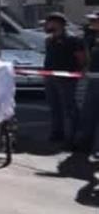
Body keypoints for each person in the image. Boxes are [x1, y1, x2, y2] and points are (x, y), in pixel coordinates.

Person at [42, 12, 86, 149]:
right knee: (54, 107)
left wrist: (78, 71)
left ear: (58, 23)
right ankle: (57, 133)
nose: (46, 25)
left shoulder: (73, 40)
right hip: (50, 77)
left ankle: (73, 136)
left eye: (49, 22)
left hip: (67, 78)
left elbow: (81, 58)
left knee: (69, 108)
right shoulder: (49, 40)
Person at [81, 12, 99, 159]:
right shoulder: (91, 38)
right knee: (88, 114)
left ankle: (96, 148)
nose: (91, 22)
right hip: (93, 78)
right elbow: (88, 57)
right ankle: (86, 145)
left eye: (94, 20)